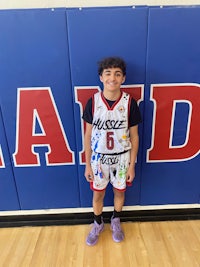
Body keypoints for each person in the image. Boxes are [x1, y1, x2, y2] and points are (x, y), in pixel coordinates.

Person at [82, 57, 142, 246]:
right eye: (108, 73)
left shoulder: (130, 103)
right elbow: (88, 135)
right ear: (101, 77)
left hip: (121, 158)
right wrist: (87, 165)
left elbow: (135, 137)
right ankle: (98, 223)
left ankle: (116, 220)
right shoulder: (92, 102)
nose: (112, 78)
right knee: (98, 194)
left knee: (119, 192)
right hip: (99, 159)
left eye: (117, 74)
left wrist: (132, 166)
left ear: (123, 78)